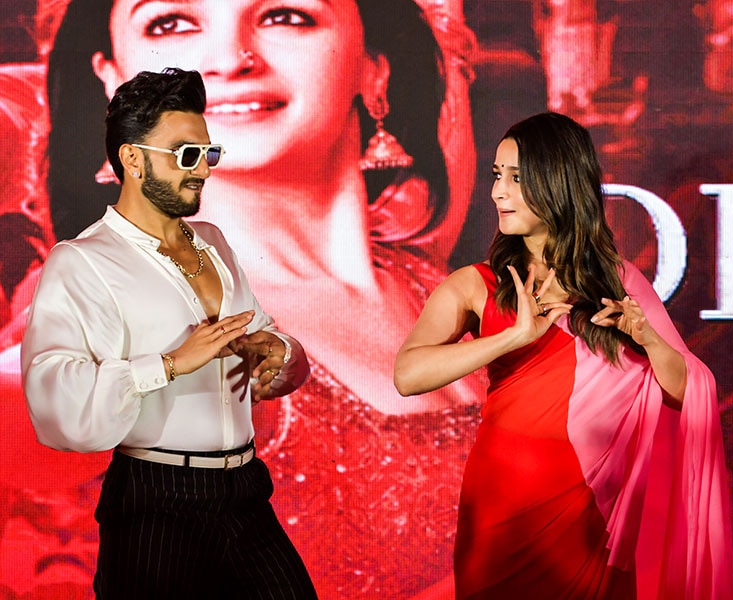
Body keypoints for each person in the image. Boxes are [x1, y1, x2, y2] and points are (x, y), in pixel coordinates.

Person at [3, 0, 482, 597]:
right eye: (170, 23)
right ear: (112, 81)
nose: (229, 60)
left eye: (285, 15)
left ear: (374, 69)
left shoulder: (460, 295)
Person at [395, 112, 733, 598]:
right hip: (502, 504)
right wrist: (510, 338)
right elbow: (408, 374)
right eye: (497, 176)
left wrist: (649, 340)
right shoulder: (476, 284)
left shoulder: (618, 283)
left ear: (558, 182)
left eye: (516, 178)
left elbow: (688, 390)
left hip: (598, 512)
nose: (498, 192)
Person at [21, 67, 318, 599]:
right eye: (185, 154)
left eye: (208, 153)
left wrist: (281, 353)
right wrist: (170, 363)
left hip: (245, 490)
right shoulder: (83, 262)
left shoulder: (214, 242)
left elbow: (263, 333)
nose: (202, 169)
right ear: (132, 159)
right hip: (156, 501)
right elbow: (53, 393)